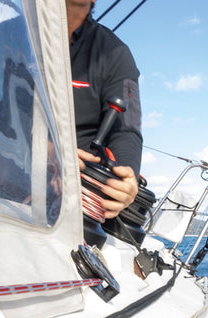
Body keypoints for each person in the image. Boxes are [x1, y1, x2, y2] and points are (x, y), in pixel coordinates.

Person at [66, 0, 142, 219]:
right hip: (3, 180)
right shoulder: (7, 35)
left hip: (72, 197)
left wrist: (126, 180)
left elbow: (126, 131)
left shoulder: (116, 54)